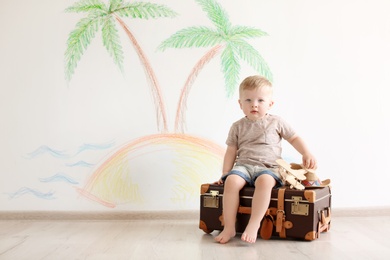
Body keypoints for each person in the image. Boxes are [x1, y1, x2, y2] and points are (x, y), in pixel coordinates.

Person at [214, 75, 317, 244]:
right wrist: (225, 173)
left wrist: (306, 153)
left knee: (265, 182)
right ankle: (229, 227)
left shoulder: (276, 122)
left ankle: (254, 224)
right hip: (244, 166)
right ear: (240, 104)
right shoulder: (237, 126)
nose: (254, 104)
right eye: (248, 100)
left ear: (270, 104)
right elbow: (231, 150)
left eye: (260, 100)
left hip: (269, 167)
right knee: (231, 182)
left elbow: (294, 138)